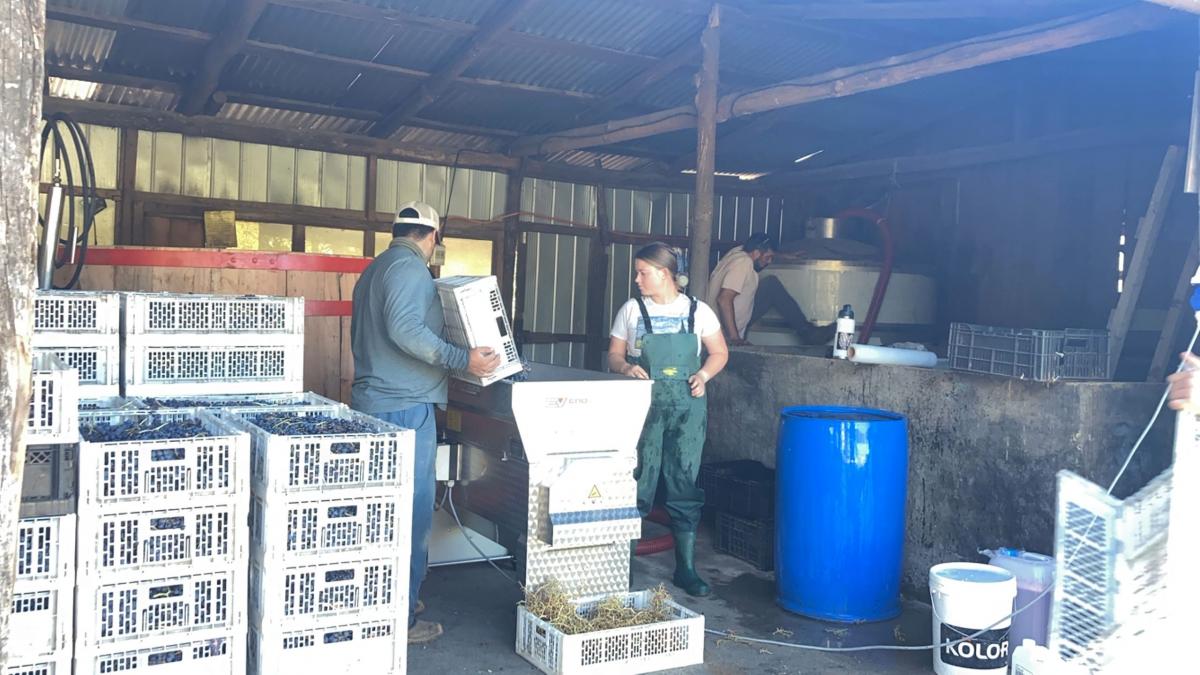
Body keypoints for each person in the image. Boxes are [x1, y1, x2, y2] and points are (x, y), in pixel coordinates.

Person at [350, 200, 500, 644]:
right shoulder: (410, 269)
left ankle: (392, 599)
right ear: (433, 236)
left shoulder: (376, 269)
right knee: (410, 514)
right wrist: (461, 359)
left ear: (397, 230)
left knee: (382, 513)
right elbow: (405, 329)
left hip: (377, 404)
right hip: (404, 407)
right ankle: (401, 617)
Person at [608, 242, 729, 597]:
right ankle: (622, 566)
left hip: (687, 409)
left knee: (683, 482)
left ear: (664, 274)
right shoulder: (631, 310)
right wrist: (625, 367)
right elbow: (614, 354)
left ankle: (686, 569)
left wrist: (703, 375)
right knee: (635, 481)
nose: (637, 279)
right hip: (641, 408)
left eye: (642, 272)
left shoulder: (698, 311)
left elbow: (719, 352)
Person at [707, 233, 831, 346]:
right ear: (756, 253)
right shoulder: (743, 263)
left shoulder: (737, 253)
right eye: (768, 257)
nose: (769, 262)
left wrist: (782, 256)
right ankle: (808, 333)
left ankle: (808, 331)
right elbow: (723, 299)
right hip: (725, 334)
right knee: (771, 286)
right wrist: (735, 338)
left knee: (769, 285)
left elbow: (758, 250)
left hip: (726, 325)